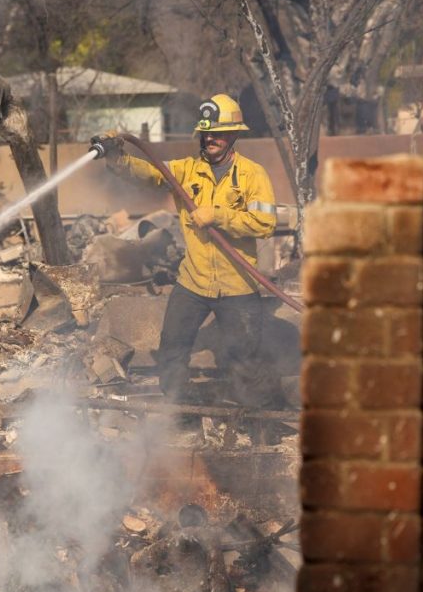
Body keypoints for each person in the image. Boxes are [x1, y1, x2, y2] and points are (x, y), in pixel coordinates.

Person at [92, 94, 282, 408]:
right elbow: (147, 171)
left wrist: (218, 216)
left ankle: (251, 420)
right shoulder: (186, 170)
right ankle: (180, 413)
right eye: (206, 133)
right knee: (172, 350)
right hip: (193, 283)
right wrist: (117, 157)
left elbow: (265, 224)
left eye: (218, 133)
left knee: (244, 359)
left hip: (238, 286)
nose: (210, 139)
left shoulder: (253, 175)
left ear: (233, 134)